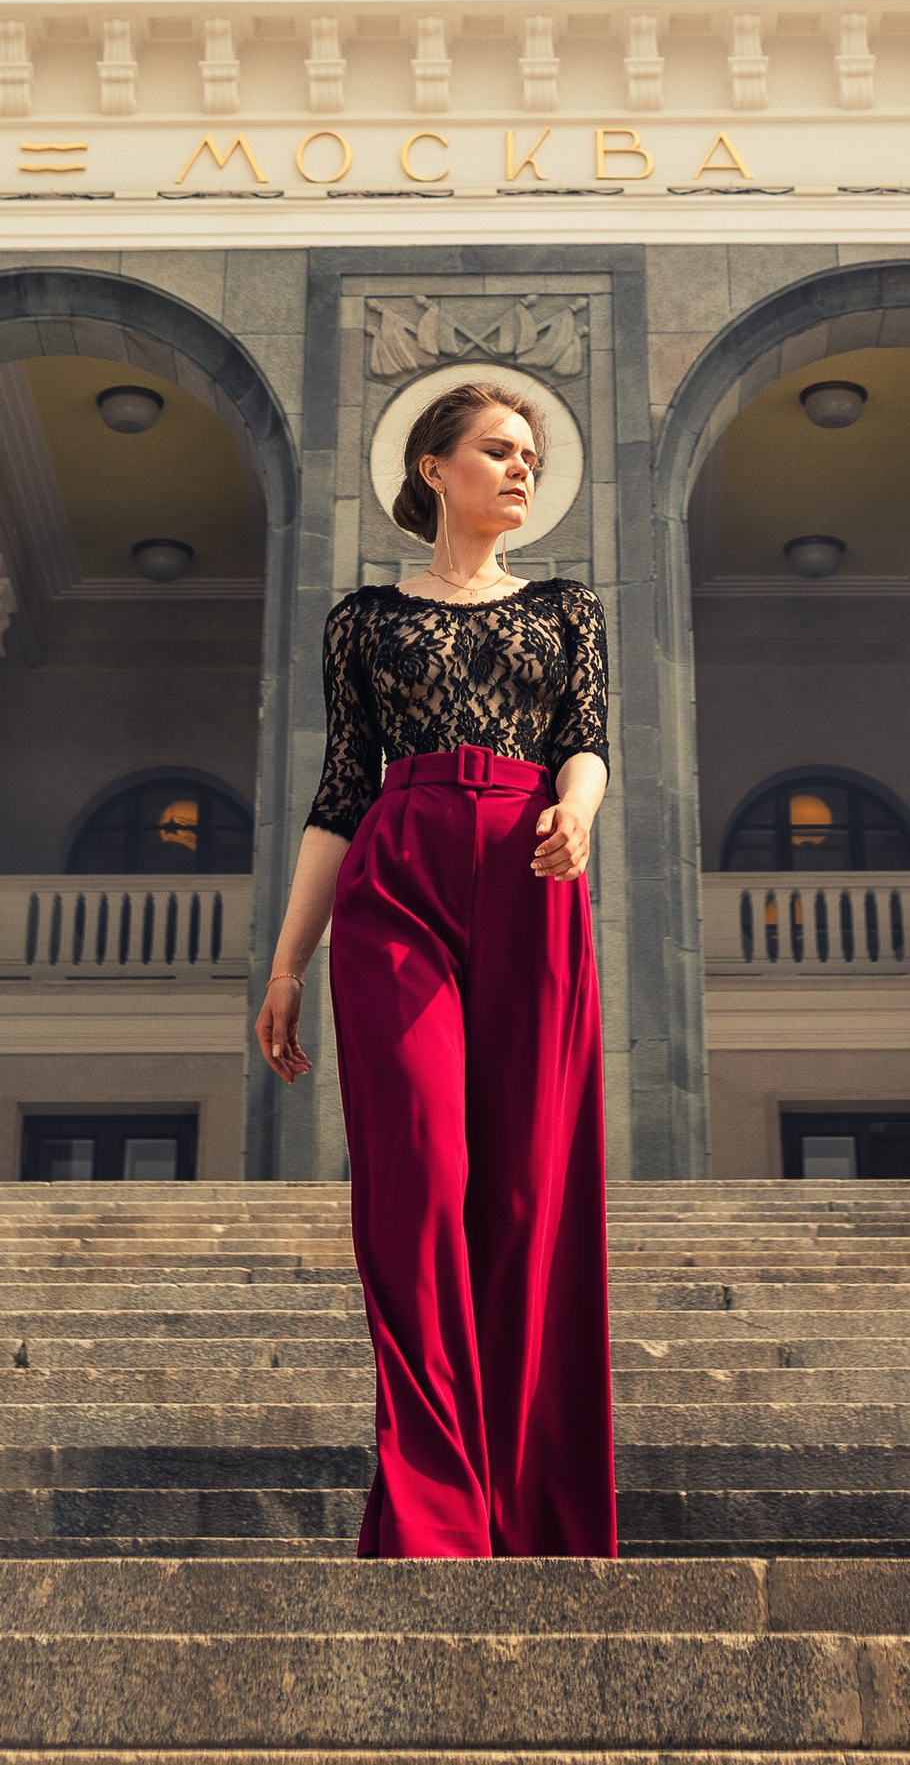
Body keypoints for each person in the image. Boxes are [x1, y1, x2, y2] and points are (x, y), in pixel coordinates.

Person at [256, 383, 615, 1559]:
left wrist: (577, 813)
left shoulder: (567, 607)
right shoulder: (363, 618)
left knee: (524, 1194)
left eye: (532, 455)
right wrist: (287, 963)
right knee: (417, 1182)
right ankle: (430, 1511)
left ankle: (527, 1503)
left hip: (531, 877)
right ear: (432, 466)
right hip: (395, 882)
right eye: (498, 450)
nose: (522, 470)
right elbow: (339, 790)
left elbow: (586, 741)